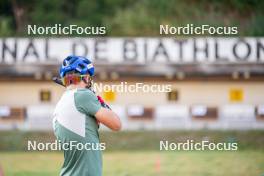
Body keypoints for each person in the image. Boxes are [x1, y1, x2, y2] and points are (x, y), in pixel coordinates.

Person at [53, 55, 121, 176]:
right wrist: (99, 99)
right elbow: (117, 124)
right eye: (89, 77)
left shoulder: (61, 103)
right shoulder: (83, 96)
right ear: (85, 77)